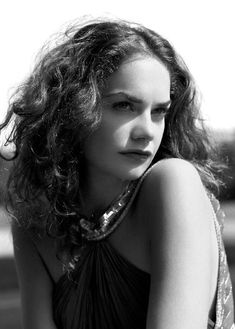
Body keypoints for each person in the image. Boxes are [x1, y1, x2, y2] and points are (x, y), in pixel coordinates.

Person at [0, 17, 234, 329]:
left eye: (159, 111)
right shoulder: (35, 221)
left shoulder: (173, 183)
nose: (147, 132)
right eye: (124, 106)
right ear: (73, 108)